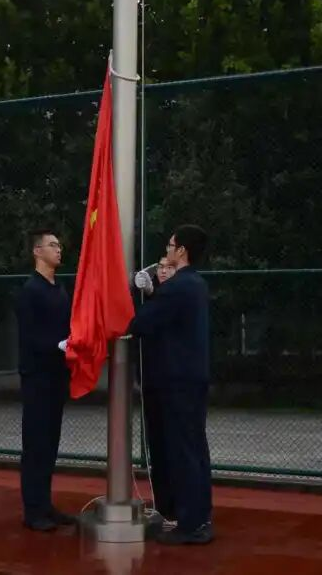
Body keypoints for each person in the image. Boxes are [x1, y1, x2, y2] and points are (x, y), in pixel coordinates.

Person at [126, 225, 213, 545]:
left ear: (182, 251)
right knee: (194, 449)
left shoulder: (178, 287)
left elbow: (140, 323)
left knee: (183, 451)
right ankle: (196, 516)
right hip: (189, 380)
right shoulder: (195, 284)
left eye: (170, 246)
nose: (166, 251)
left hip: (177, 381)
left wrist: (142, 297)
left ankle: (191, 524)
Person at [16, 228, 77, 531]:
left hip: (57, 375)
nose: (58, 249)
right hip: (37, 377)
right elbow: (29, 336)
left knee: (50, 444)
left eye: (59, 245)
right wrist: (57, 346)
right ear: (37, 251)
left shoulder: (59, 289)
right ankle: (33, 510)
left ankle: (44, 504)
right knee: (36, 444)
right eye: (52, 245)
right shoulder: (30, 290)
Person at [131, 255, 177, 527]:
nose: (162, 271)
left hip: (171, 382)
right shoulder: (156, 299)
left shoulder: (174, 298)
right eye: (160, 267)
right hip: (152, 380)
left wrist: (151, 295)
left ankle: (176, 507)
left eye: (169, 267)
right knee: (157, 447)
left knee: (172, 446)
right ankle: (163, 505)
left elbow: (141, 323)